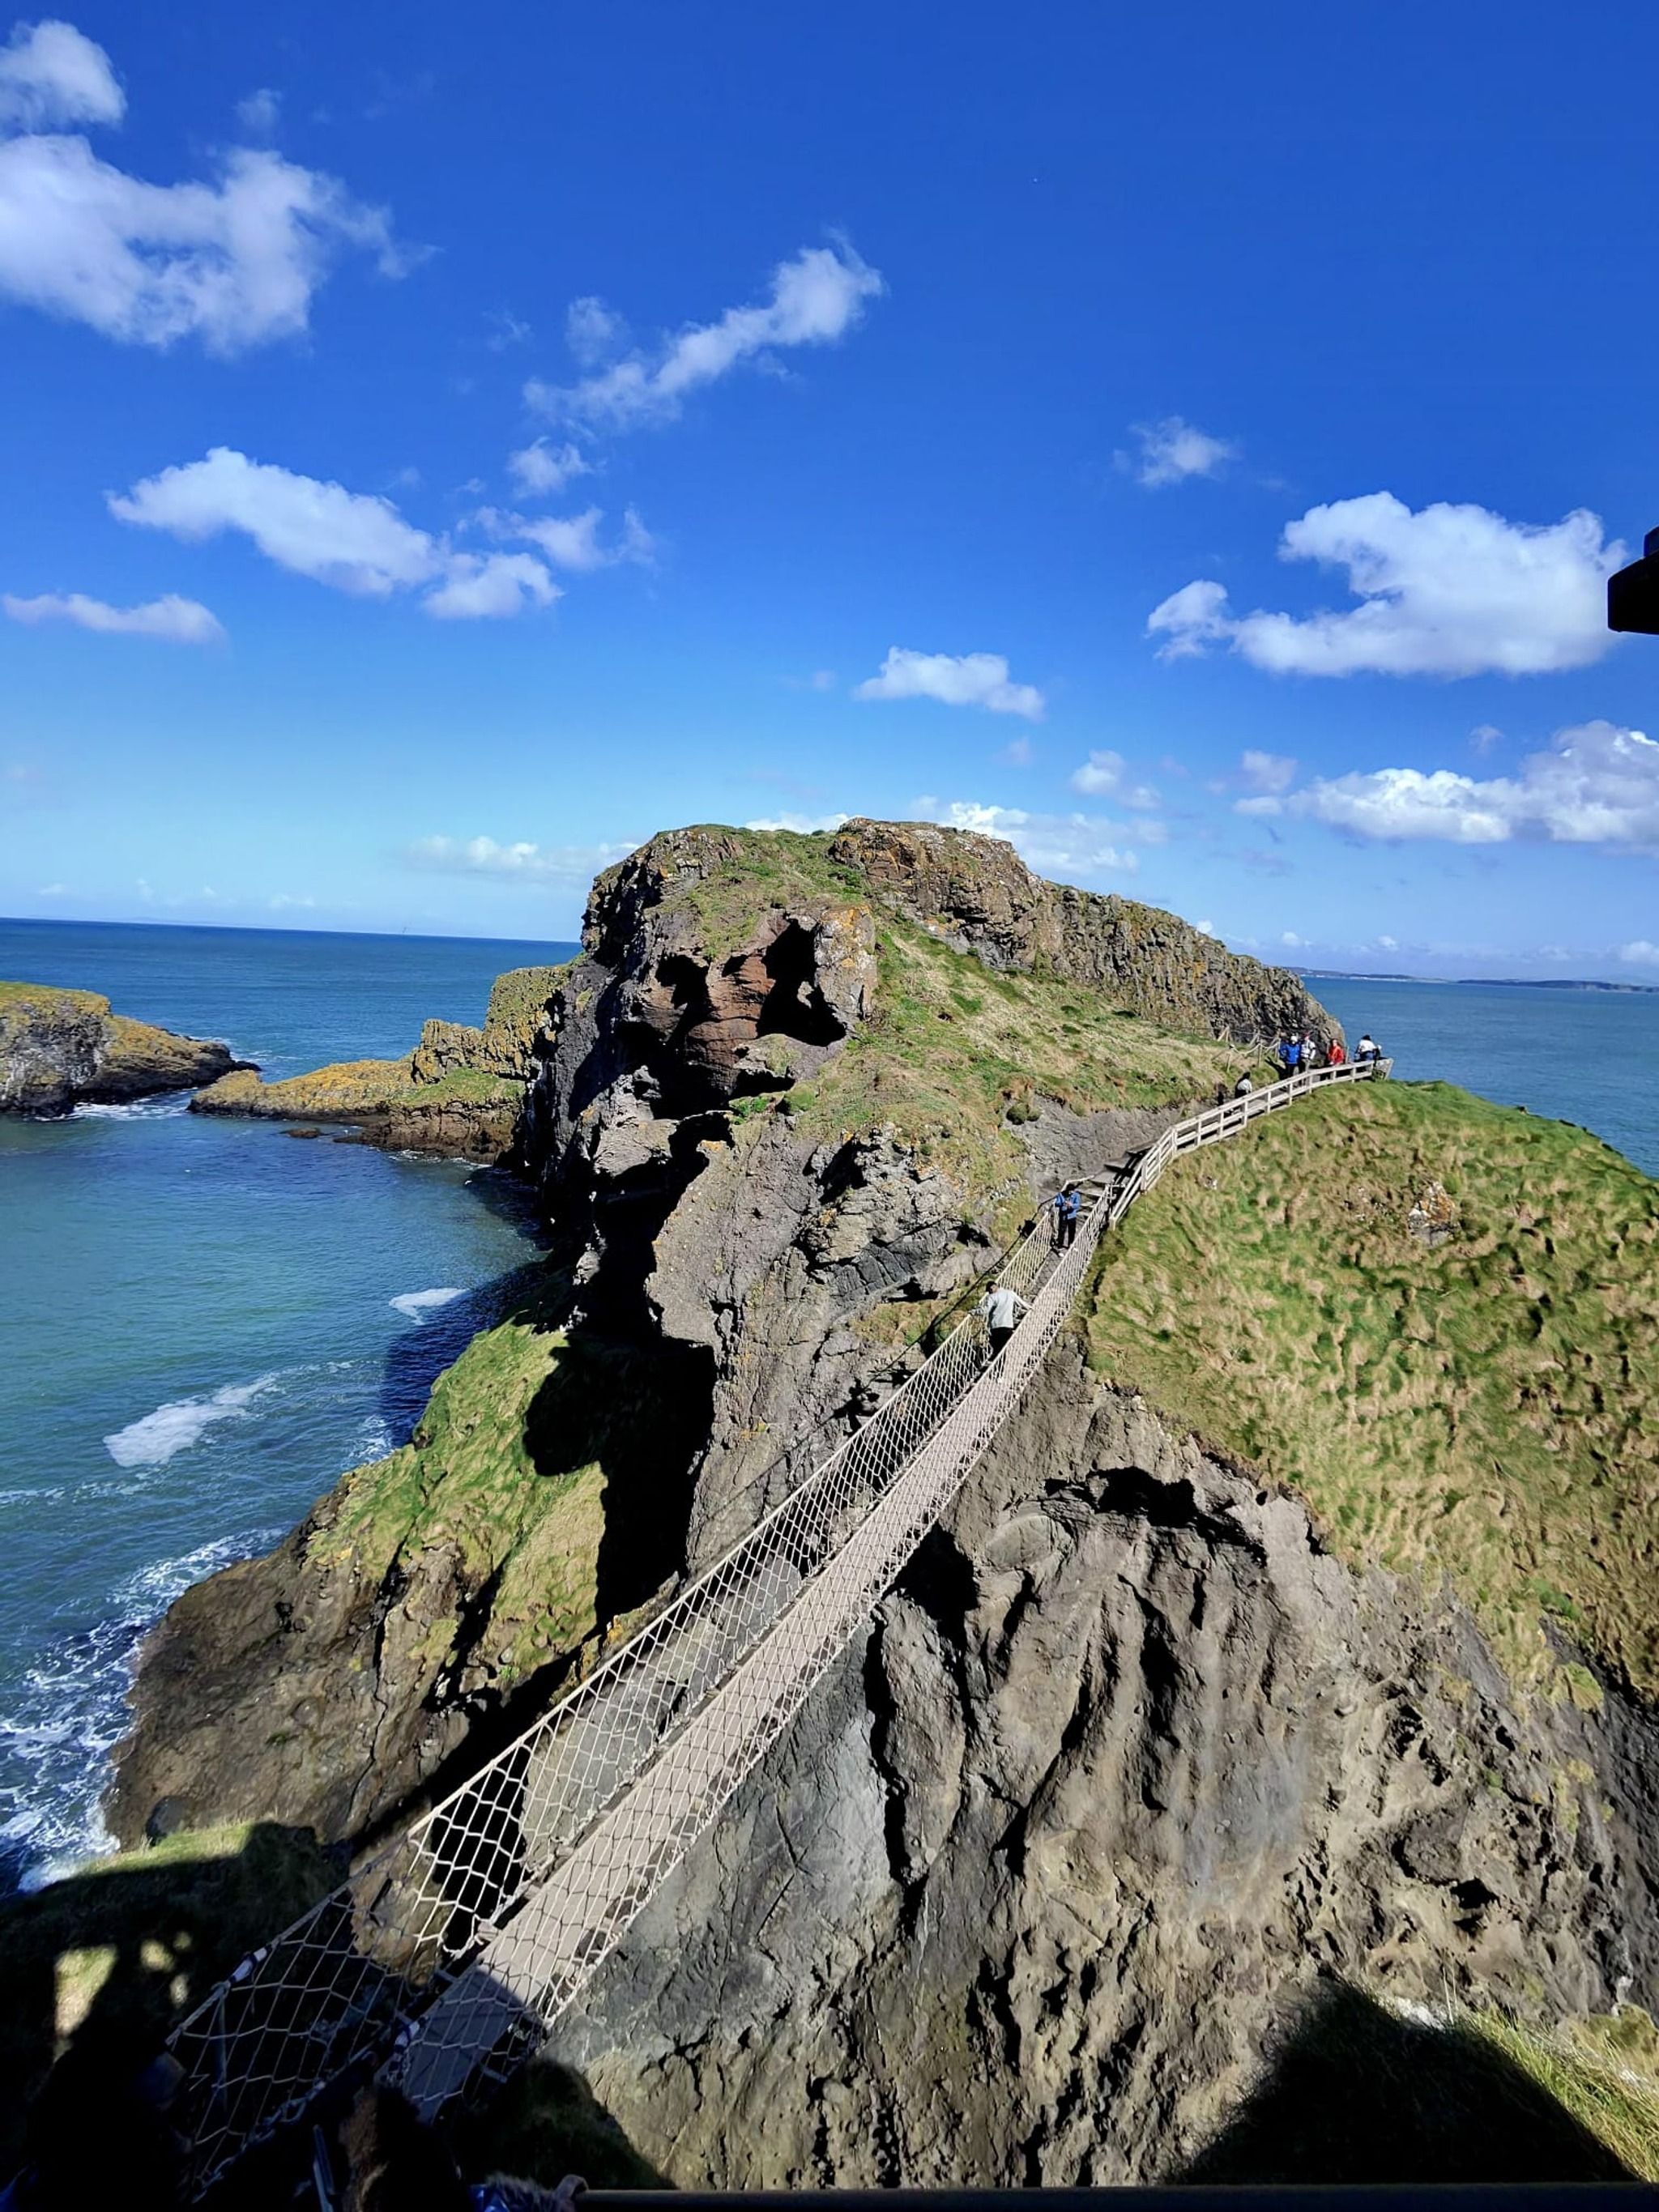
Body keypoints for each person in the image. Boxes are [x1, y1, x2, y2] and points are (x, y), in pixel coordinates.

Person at [976, 1279, 1030, 1358]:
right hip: (1007, 1325)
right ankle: (999, 1367)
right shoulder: (1010, 1293)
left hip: (995, 1326)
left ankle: (996, 1365)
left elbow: (986, 1310)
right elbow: (1021, 1303)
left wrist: (974, 1311)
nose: (990, 1292)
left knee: (998, 1349)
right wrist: (1030, 1308)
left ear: (994, 1287)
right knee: (1002, 1349)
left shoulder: (992, 1297)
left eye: (990, 1290)